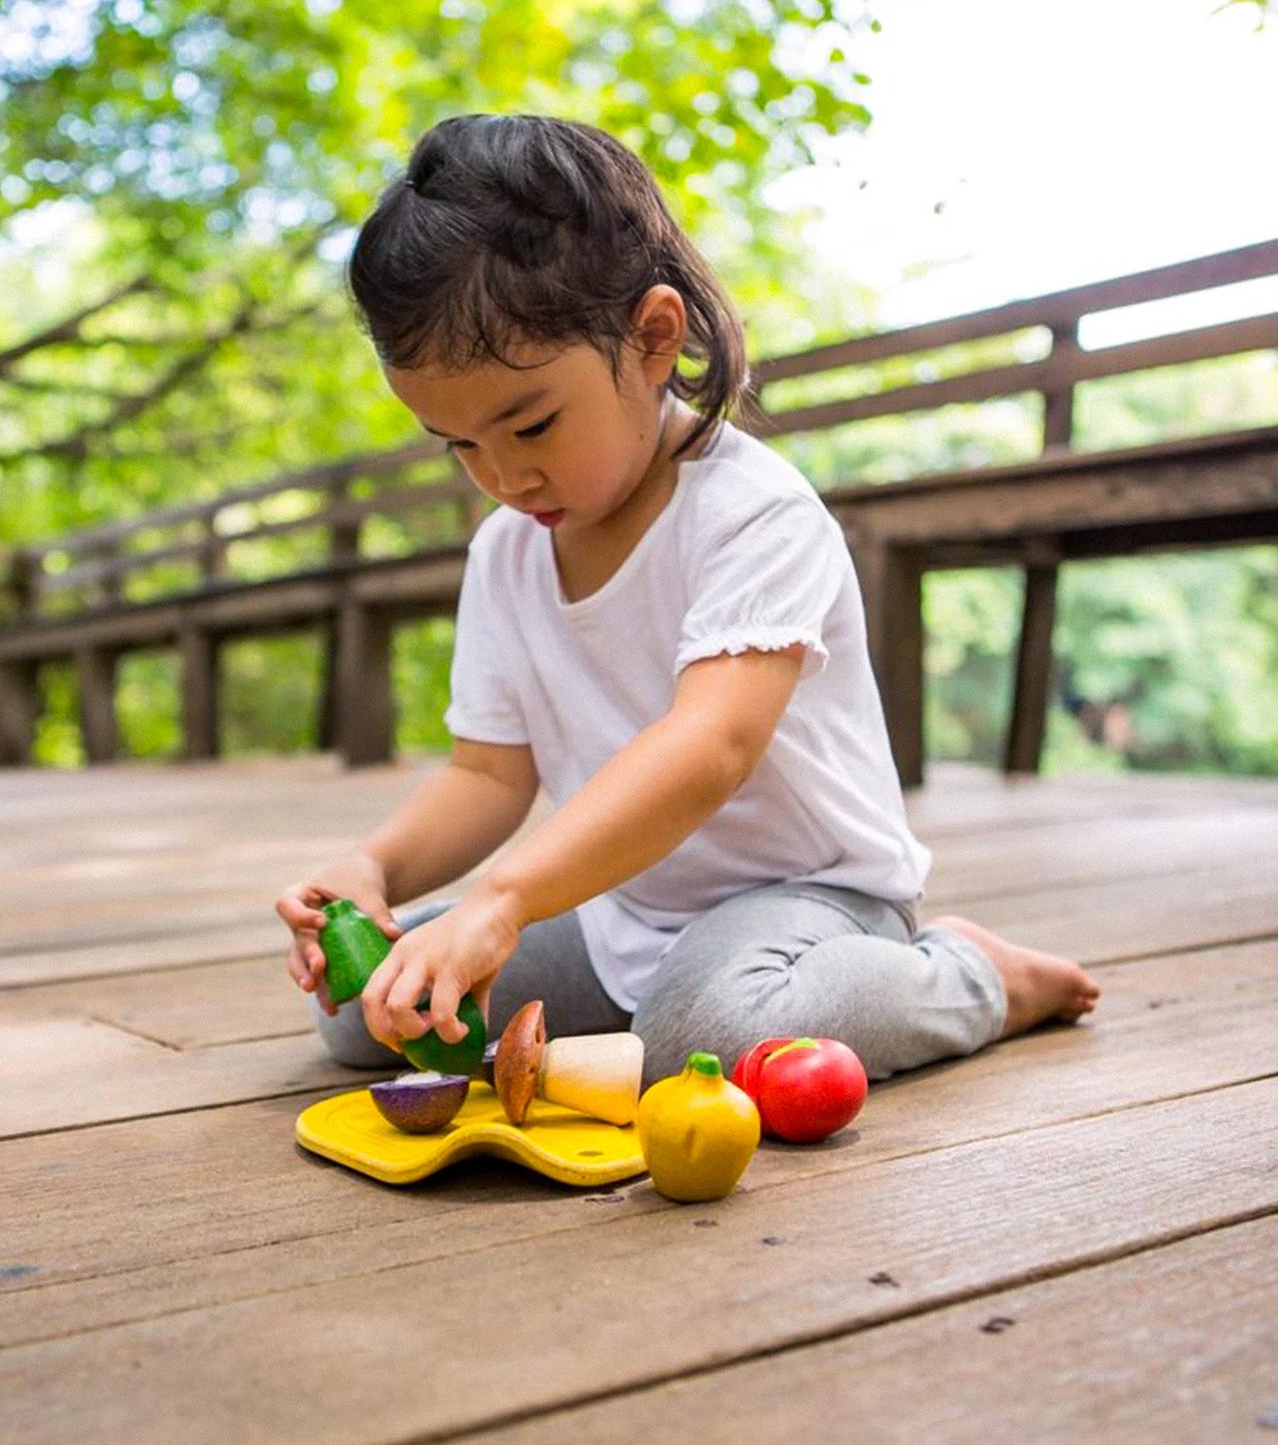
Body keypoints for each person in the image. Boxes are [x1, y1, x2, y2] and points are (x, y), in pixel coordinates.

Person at [275, 114, 1099, 1089]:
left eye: (530, 422)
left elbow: (709, 747)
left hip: (807, 900)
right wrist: (377, 871)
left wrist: (502, 898)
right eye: (456, 444)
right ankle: (629, 988)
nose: (500, 475)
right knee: (376, 1016)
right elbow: (488, 776)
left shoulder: (751, 513)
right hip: (620, 902)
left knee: (698, 1037)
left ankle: (969, 975)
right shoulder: (505, 551)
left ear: (652, 339)